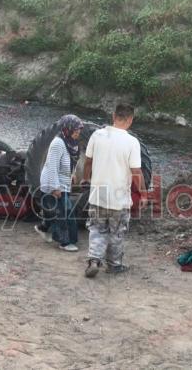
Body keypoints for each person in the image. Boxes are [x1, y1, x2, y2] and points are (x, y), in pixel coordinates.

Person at [81, 104, 147, 277]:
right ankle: (114, 265)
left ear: (113, 115)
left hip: (98, 195)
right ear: (130, 119)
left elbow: (88, 161)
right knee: (116, 232)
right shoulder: (132, 142)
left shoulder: (97, 135)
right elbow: (136, 172)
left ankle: (94, 260)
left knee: (96, 229)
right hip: (119, 199)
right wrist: (144, 193)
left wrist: (86, 179)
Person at [34, 114, 84, 252]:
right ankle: (65, 242)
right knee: (63, 213)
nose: (77, 133)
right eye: (75, 130)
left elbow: (69, 162)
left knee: (55, 212)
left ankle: (42, 228)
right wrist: (55, 188)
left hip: (63, 182)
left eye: (79, 130)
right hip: (53, 184)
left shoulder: (71, 143)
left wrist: (72, 175)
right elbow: (51, 166)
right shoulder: (58, 143)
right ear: (67, 129)